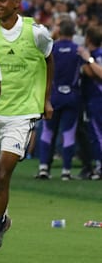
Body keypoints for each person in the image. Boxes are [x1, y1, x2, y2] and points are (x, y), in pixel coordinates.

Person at [0, 0, 53, 255]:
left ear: (16, 3)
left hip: (21, 115)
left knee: (2, 175)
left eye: (2, 1)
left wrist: (45, 99)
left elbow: (49, 60)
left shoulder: (36, 32)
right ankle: (1, 217)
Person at [36, 18, 82, 181]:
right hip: (72, 96)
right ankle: (66, 171)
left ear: (60, 32)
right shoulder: (78, 50)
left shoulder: (52, 49)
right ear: (74, 33)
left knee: (48, 132)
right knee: (68, 134)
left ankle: (43, 168)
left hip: (53, 96)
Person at [78, 25, 102, 179]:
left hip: (97, 99)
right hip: (91, 99)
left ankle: (100, 167)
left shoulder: (97, 55)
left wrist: (89, 60)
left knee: (97, 134)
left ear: (88, 39)